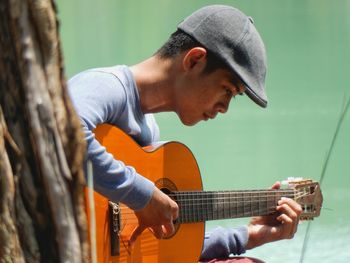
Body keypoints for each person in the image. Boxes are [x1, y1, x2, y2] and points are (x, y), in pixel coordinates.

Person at [68, 5, 302, 262]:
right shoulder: (106, 85)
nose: (224, 108)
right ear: (194, 60)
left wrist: (251, 235)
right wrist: (141, 195)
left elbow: (162, 252)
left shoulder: (149, 131)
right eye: (226, 90)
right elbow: (67, 137)